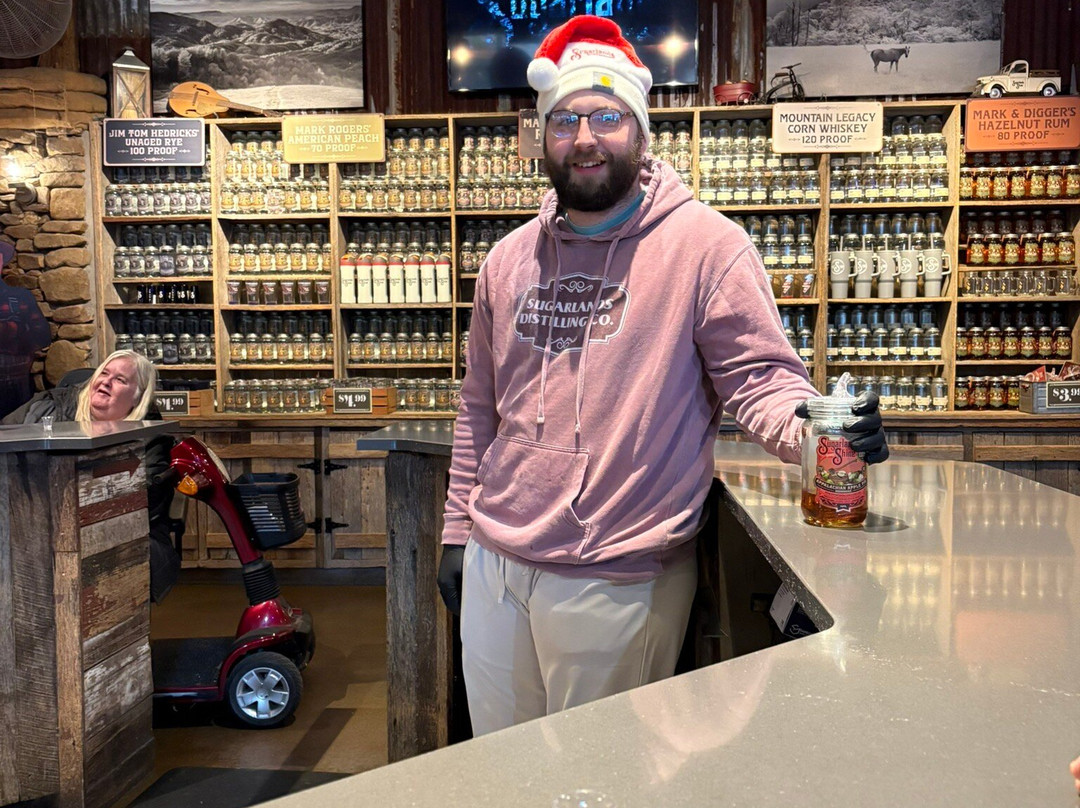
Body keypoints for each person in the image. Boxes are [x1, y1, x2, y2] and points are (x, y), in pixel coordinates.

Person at [436, 14, 888, 735]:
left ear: (642, 132)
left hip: (620, 570)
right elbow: (480, 409)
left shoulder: (708, 247)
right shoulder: (508, 259)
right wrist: (459, 533)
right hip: (496, 559)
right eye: (564, 120)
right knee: (498, 764)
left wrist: (816, 430)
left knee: (597, 773)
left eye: (607, 116)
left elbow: (760, 379)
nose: (585, 138)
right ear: (541, 137)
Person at [3, 349, 181, 602]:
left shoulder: (151, 438)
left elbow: (141, 505)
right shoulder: (47, 407)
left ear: (137, 398)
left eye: (120, 380)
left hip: (115, 538)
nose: (106, 382)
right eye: (104, 373)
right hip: (30, 530)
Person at [0, 241, 51, 419]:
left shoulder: (20, 297)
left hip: (18, 388)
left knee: (19, 428)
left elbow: (43, 336)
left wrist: (11, 331)